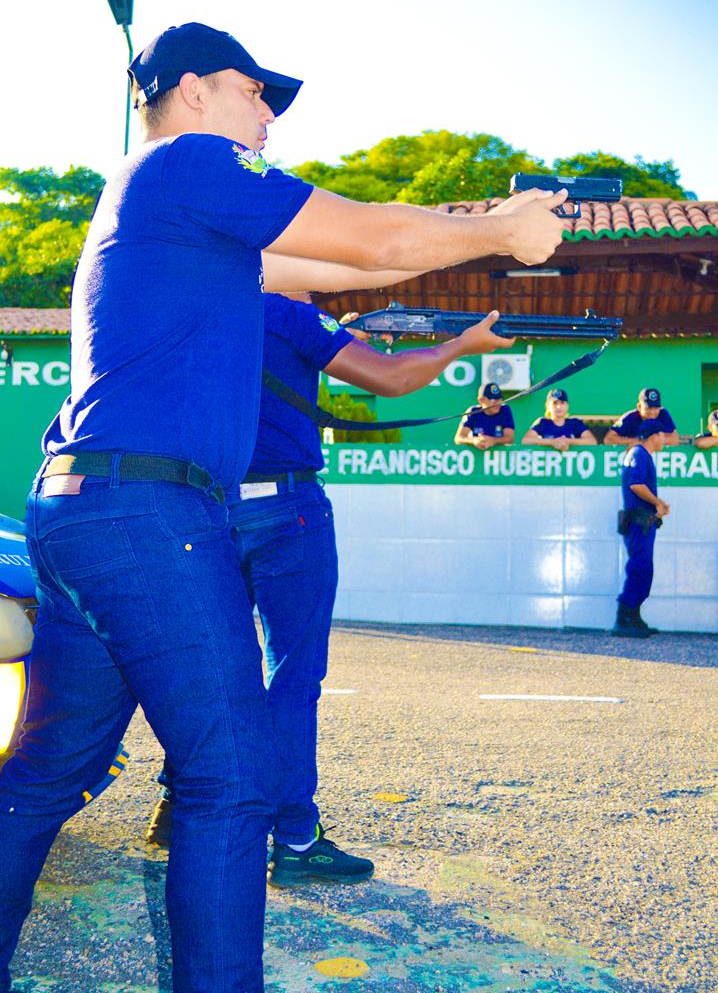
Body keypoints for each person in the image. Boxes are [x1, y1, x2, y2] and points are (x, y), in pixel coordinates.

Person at [0, 20, 566, 993]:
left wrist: (490, 229)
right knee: (231, 781)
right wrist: (501, 232)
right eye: (252, 89)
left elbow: (355, 264)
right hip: (148, 517)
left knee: (40, 783)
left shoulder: (182, 212)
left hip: (89, 513)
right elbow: (376, 236)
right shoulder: (188, 165)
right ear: (190, 91)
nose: (268, 110)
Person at [147, 292, 514, 885]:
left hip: (206, 506)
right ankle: (295, 838)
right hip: (286, 508)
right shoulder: (292, 315)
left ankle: (178, 807)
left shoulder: (196, 305)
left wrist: (337, 337)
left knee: (213, 670)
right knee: (291, 677)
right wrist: (463, 344)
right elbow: (392, 379)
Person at [613, 419, 670, 637]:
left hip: (642, 522)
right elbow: (636, 485)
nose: (664, 440)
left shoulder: (641, 455)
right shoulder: (639, 454)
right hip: (638, 523)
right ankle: (623, 620)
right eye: (662, 435)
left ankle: (634, 618)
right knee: (639, 568)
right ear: (654, 436)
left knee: (644, 569)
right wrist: (658, 502)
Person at [521, 388, 597, 449]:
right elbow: (526, 440)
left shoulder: (575, 423)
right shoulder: (543, 422)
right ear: (548, 406)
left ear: (567, 406)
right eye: (555, 403)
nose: (559, 407)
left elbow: (592, 441)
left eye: (562, 403)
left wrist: (568, 441)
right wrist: (551, 442)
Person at [603, 387, 678, 446]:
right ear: (639, 406)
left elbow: (674, 439)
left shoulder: (663, 414)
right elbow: (608, 439)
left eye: (656, 408)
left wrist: (650, 442)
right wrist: (636, 441)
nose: (652, 412)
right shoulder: (629, 417)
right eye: (648, 408)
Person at [454, 382, 515, 449]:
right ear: (481, 400)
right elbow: (458, 438)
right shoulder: (473, 412)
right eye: (493, 400)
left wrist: (493, 440)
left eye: (499, 399)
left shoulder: (505, 410)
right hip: (477, 453)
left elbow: (509, 438)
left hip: (498, 454)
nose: (497, 403)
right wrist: (474, 440)